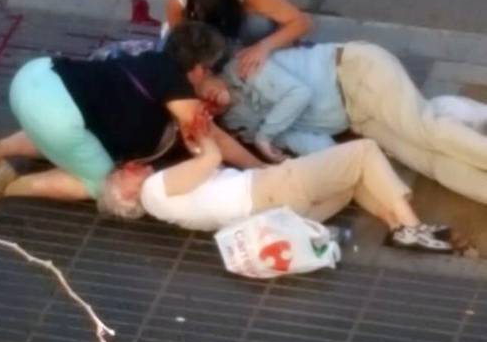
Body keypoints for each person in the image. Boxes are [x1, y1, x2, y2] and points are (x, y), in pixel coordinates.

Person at [0, 22, 262, 206]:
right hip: (62, 115)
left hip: (35, 78)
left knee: (71, 135)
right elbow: (212, 139)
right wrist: (259, 167)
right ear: (200, 68)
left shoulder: (146, 57)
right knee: (98, 183)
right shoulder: (177, 85)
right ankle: (7, 185)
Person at [201, 40, 487, 205]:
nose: (207, 99)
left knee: (426, 130)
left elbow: (297, 93)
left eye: (200, 88)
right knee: (430, 165)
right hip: (360, 119)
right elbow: (314, 144)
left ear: (204, 72)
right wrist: (318, 167)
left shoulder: (240, 67)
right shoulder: (243, 126)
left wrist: (266, 134)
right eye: (201, 104)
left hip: (355, 72)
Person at [99, 135, 453, 253]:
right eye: (123, 173)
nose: (132, 167)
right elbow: (213, 157)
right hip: (271, 188)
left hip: (280, 218)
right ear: (127, 194)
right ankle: (410, 227)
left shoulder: (164, 211)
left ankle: (395, 224)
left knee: (351, 182)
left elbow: (207, 183)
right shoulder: (156, 187)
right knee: (363, 151)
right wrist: (202, 131)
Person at [165, 0, 311, 77]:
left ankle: (246, 41)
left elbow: (302, 22)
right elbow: (178, 37)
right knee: (173, 50)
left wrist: (263, 47)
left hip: (247, 1)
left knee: (260, 25)